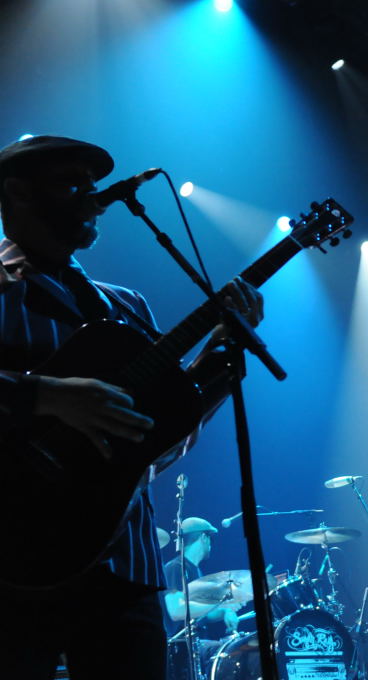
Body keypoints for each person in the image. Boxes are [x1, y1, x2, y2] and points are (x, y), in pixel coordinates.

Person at [0, 134, 262, 679]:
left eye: (93, 186)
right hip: (12, 553)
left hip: (123, 563)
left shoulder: (126, 306)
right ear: (18, 194)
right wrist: (46, 396)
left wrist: (219, 359)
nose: (93, 199)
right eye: (71, 184)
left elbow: (156, 440)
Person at [162, 517, 242, 679]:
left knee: (235, 646)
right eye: (210, 539)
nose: (211, 544)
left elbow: (202, 614)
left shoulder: (196, 572)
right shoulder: (175, 568)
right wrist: (221, 604)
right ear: (204, 537)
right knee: (232, 652)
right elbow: (177, 610)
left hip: (197, 645)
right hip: (181, 648)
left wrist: (224, 612)